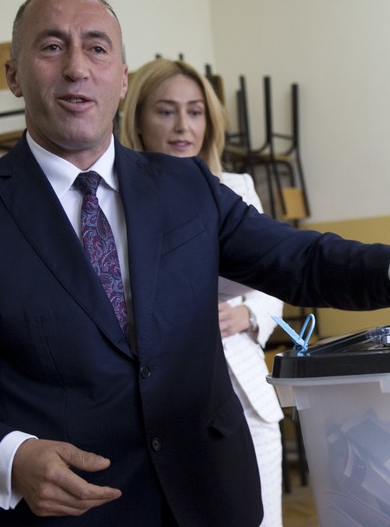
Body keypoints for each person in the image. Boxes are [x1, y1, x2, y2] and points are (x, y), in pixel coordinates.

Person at [0, 0, 390, 527]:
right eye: (52, 47)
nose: (77, 69)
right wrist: (10, 457)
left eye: (96, 48)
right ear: (13, 76)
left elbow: (298, 258)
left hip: (214, 498)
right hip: (70, 517)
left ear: (121, 76)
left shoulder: (187, 186)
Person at [120, 58, 286, 526]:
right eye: (165, 111)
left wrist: (249, 315)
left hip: (243, 383)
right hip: (169, 399)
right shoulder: (115, 198)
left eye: (194, 112)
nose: (182, 126)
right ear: (137, 119)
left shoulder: (236, 187)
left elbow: (274, 273)